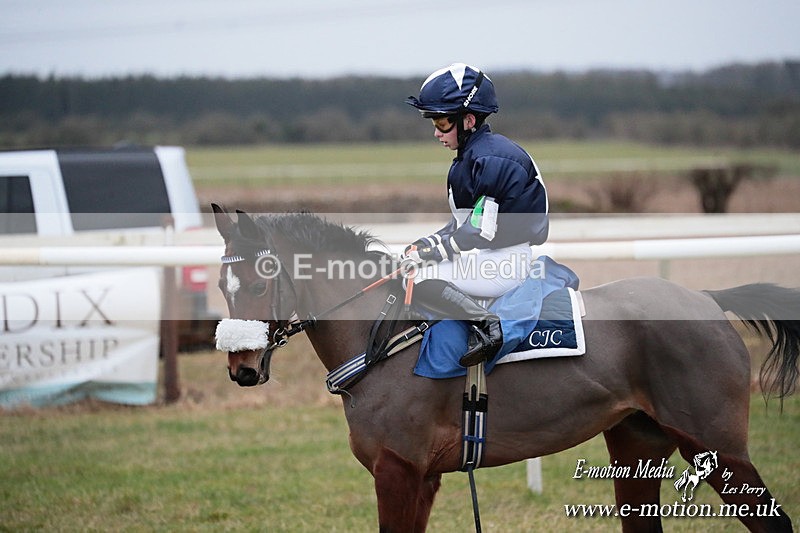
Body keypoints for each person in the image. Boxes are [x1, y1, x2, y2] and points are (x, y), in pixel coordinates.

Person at [403, 63, 550, 367]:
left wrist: (432, 254)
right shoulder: (473, 156)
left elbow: (478, 231)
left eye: (442, 122)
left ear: (467, 120)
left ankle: (488, 326)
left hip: (504, 263)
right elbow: (462, 224)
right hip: (488, 255)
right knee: (415, 267)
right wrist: (426, 243)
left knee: (420, 278)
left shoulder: (489, 159)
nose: (435, 132)